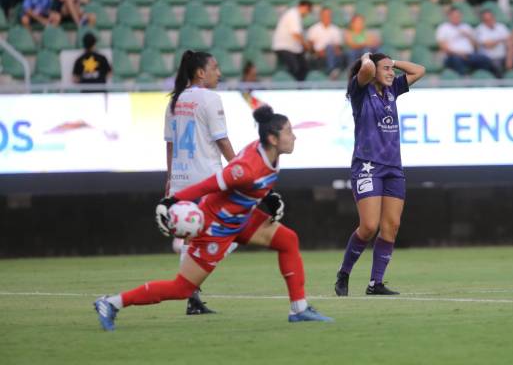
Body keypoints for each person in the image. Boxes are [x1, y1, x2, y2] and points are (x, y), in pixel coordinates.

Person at [94, 105, 334, 331]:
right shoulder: (245, 168)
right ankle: (112, 303)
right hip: (215, 226)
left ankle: (299, 309)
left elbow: (253, 186)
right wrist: (170, 202)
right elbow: (206, 186)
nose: (295, 137)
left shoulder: (268, 154)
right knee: (182, 288)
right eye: (289, 132)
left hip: (241, 218)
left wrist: (268, 197)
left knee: (288, 240)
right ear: (273, 139)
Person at [334, 52, 426, 297]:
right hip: (368, 167)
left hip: (393, 168)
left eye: (391, 69)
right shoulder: (361, 90)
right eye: (384, 69)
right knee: (369, 226)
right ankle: (344, 273)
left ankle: (376, 283)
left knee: (391, 226)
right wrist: (367, 59)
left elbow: (419, 70)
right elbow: (364, 71)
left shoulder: (392, 89)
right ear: (372, 70)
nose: (391, 73)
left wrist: (391, 62)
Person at [163, 50, 237, 315]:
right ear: (200, 73)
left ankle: (191, 294)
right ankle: (191, 288)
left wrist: (170, 180)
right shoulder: (210, 98)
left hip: (182, 181)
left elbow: (170, 146)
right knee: (234, 228)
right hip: (207, 179)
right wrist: (241, 168)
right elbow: (221, 139)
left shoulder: (174, 101)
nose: (219, 73)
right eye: (215, 68)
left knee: (195, 239)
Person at [436, 7, 497, 76]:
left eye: (458, 16)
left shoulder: (466, 27)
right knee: (457, 60)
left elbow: (476, 47)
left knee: (485, 59)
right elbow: (443, 47)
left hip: (469, 55)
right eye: (454, 16)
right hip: (453, 56)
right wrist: (460, 54)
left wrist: (469, 37)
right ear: (449, 16)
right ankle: (463, 82)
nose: (457, 18)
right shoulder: (443, 28)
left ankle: (490, 80)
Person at [272, 0, 313, 81]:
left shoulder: (296, 16)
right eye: (308, 10)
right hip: (284, 47)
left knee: (305, 67)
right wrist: (307, 46)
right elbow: (296, 35)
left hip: (292, 48)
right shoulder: (293, 15)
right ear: (304, 7)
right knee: (295, 68)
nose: (308, 13)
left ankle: (300, 87)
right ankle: (293, 88)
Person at [307, 7, 345, 79]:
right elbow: (310, 46)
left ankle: (332, 70)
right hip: (318, 55)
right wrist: (317, 52)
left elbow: (338, 47)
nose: (326, 17)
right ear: (321, 16)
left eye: (328, 15)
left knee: (331, 48)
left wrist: (331, 51)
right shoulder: (314, 28)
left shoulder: (335, 29)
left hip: (332, 54)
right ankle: (332, 71)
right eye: (325, 15)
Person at [475, 9, 509, 75]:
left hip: (504, 56)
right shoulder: (480, 29)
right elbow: (488, 45)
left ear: (494, 18)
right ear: (483, 20)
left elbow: (510, 41)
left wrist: (509, 58)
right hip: (489, 59)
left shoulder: (501, 27)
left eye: (490, 18)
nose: (489, 21)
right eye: (486, 20)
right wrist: (501, 39)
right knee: (496, 65)